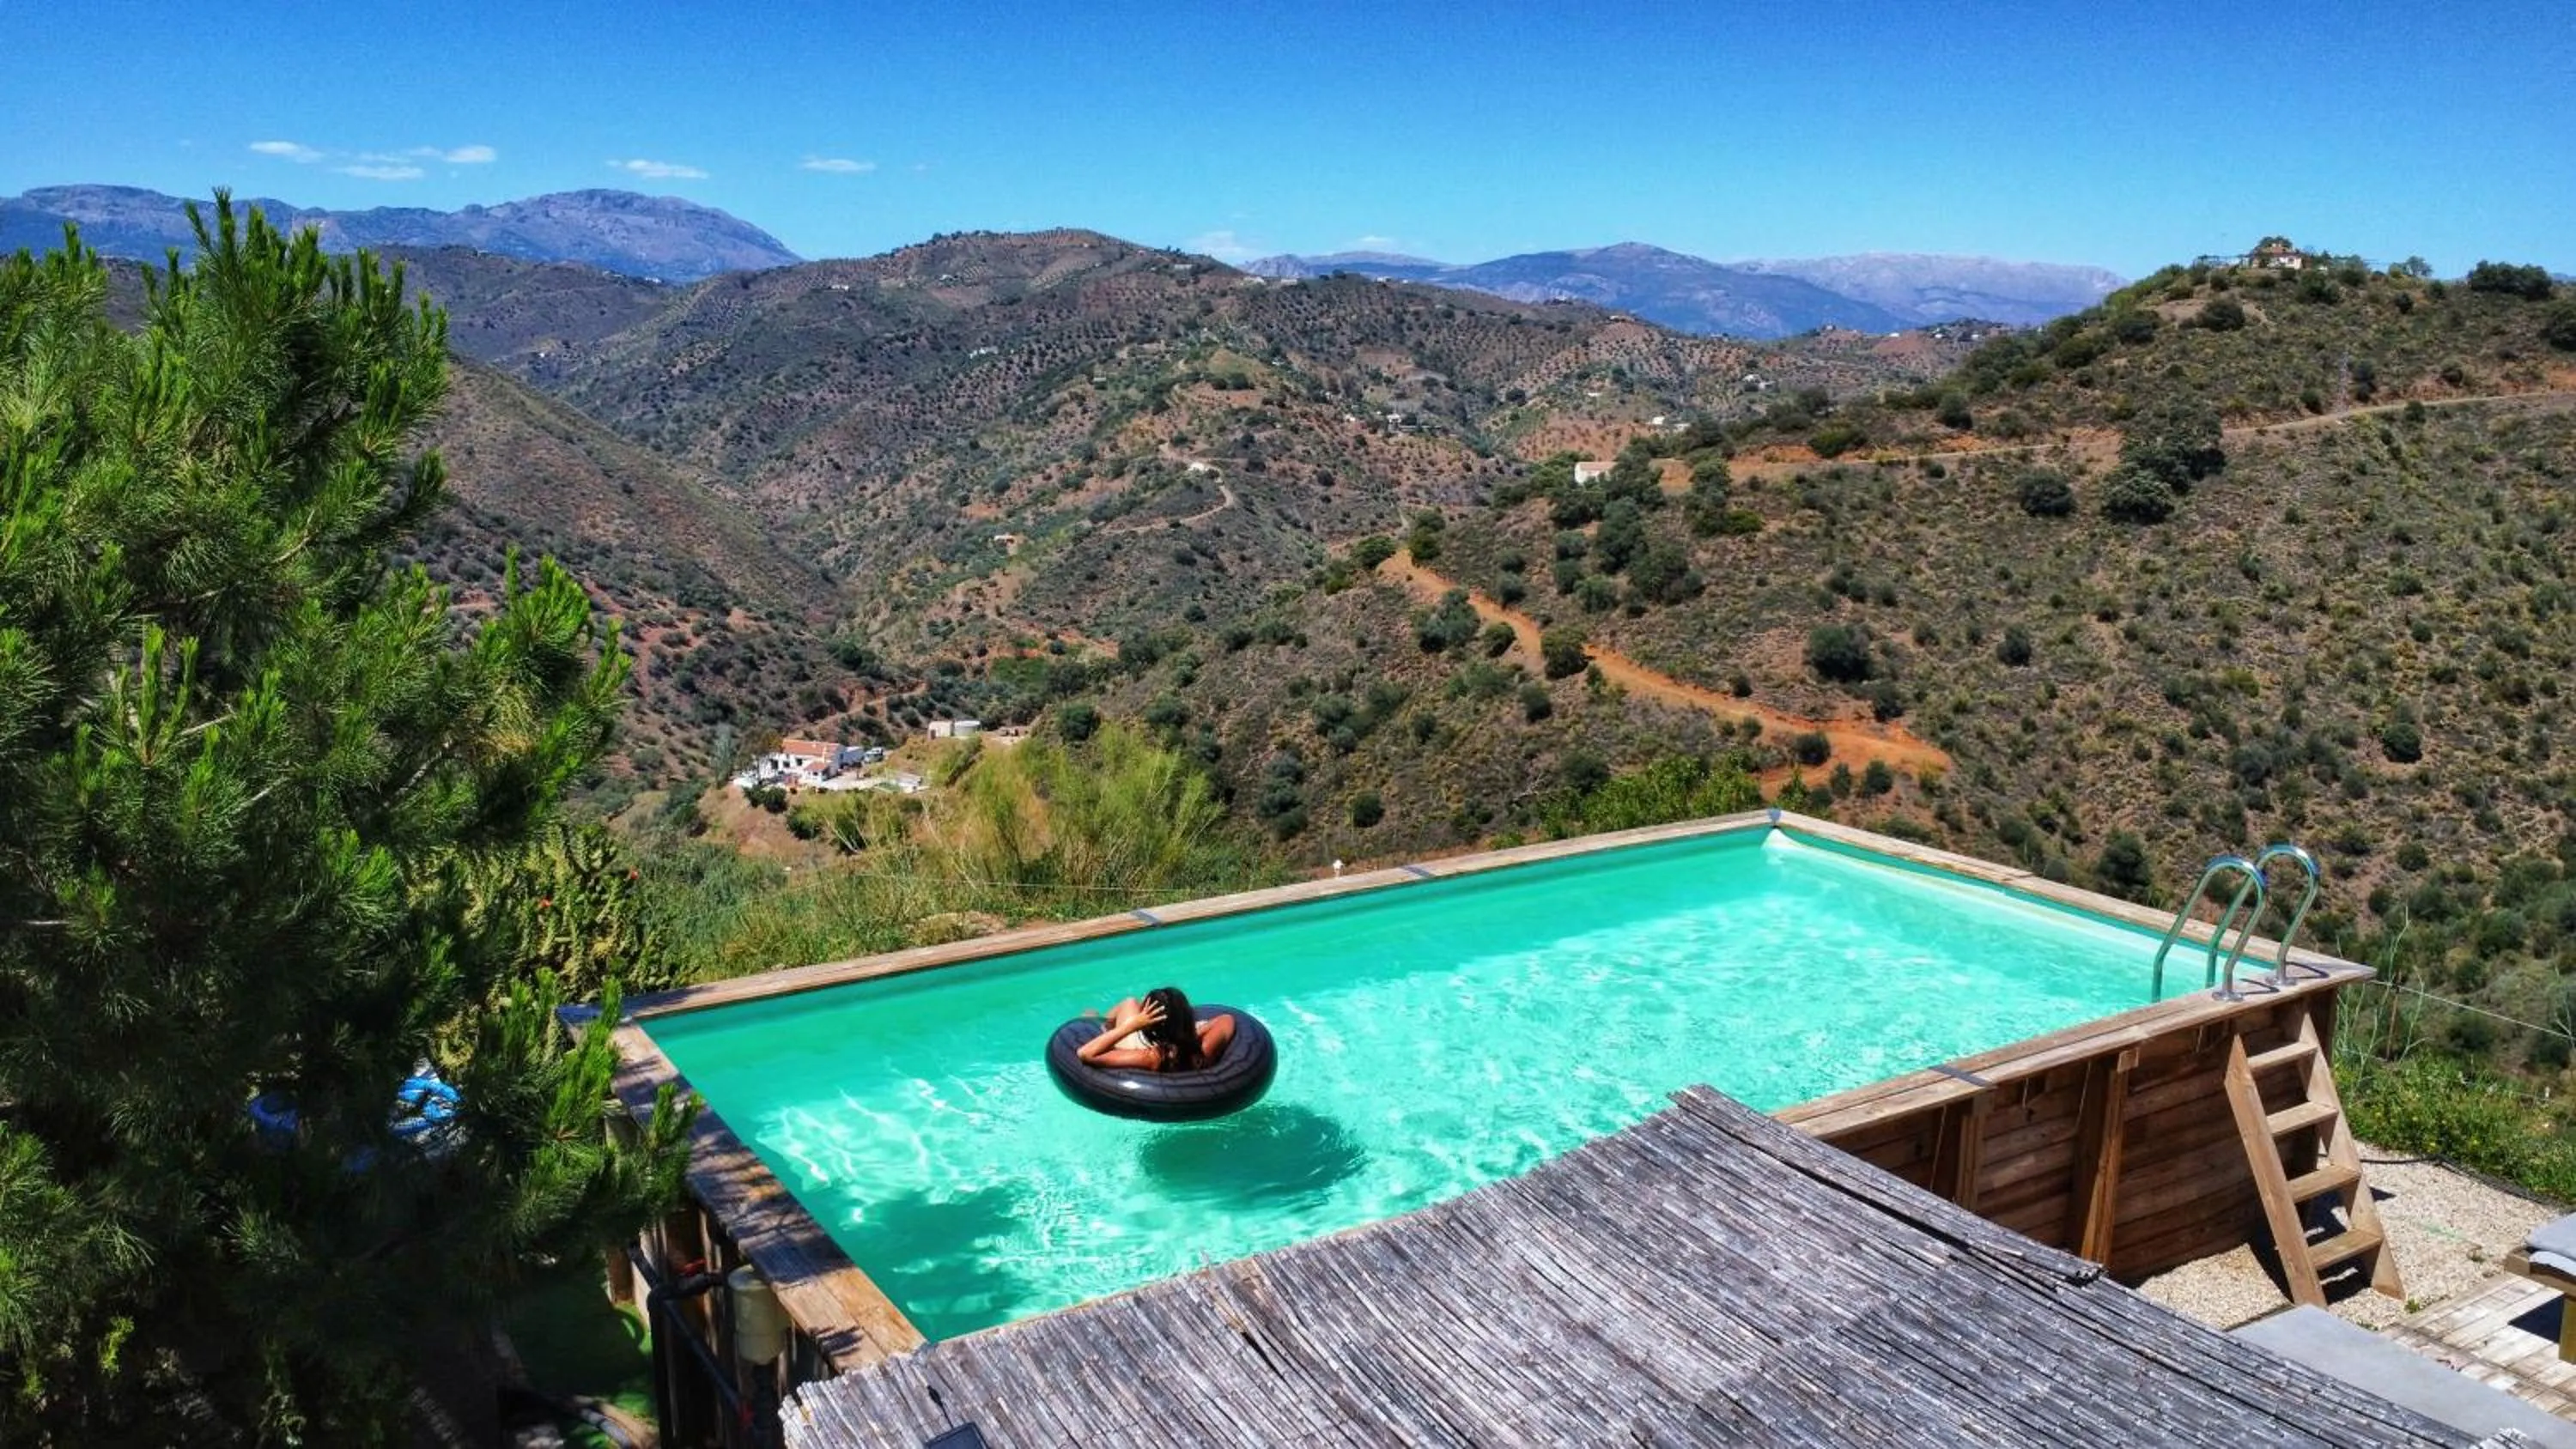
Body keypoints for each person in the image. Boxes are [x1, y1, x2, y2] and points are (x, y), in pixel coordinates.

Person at [1076, 985, 1235, 1071]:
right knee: (1137, 1004)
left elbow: (1085, 1053)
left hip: (1136, 1045)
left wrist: (1132, 1026)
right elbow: (1227, 1019)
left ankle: (1095, 1021)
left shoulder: (1152, 1058)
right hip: (1173, 1037)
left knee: (1130, 1002)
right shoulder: (1203, 1052)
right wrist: (1185, 1036)